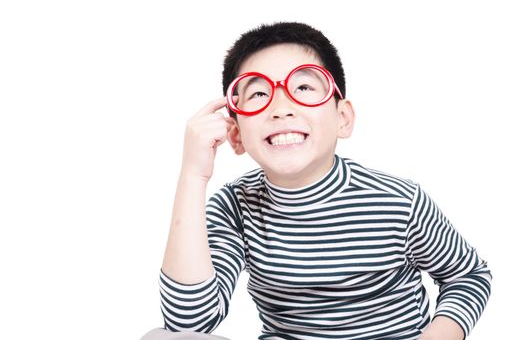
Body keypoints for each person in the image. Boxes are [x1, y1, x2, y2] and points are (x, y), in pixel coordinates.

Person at [142, 22, 492, 340]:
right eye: (259, 94)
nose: (281, 108)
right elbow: (190, 323)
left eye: (304, 87)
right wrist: (193, 175)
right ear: (235, 133)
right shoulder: (234, 206)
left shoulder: (399, 201)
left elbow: (469, 276)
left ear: (343, 118)